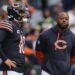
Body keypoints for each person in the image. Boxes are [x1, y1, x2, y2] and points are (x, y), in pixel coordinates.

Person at [0, 1, 30, 75]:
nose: (25, 14)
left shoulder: (21, 28)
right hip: (8, 69)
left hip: (19, 69)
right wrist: (5, 59)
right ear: (14, 13)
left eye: (25, 11)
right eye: (22, 12)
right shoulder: (7, 24)